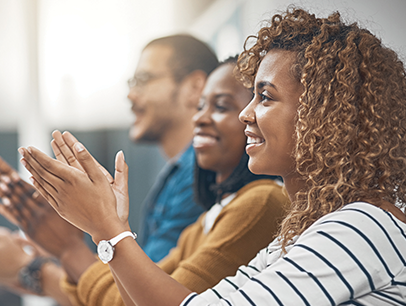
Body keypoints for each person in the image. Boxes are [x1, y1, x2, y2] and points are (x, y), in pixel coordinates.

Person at [18, 7, 406, 305]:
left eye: (265, 97)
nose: (245, 114)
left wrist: (105, 229)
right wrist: (109, 226)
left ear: (327, 115)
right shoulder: (300, 235)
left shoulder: (363, 224)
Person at [0, 57, 289, 305]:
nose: (199, 118)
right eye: (201, 106)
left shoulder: (261, 200)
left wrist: (83, 239)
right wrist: (95, 232)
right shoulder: (206, 221)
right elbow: (134, 292)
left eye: (222, 107)